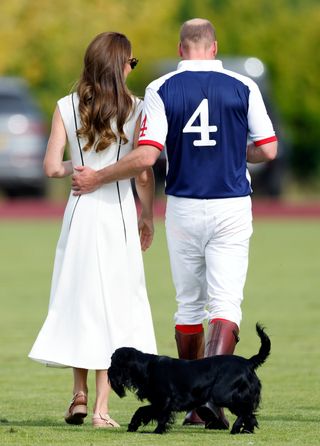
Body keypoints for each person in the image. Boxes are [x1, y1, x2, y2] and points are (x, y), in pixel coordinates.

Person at [71, 19, 278, 429]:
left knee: (188, 306)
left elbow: (147, 157)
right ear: (214, 47)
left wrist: (96, 176)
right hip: (232, 205)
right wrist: (237, 153)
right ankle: (211, 401)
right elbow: (269, 149)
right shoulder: (244, 85)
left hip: (184, 205)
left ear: (182, 50)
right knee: (225, 304)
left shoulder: (161, 88)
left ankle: (195, 405)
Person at [29, 31, 157, 429]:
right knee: (114, 306)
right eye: (130, 62)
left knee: (80, 301)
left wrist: (76, 168)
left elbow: (51, 168)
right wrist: (147, 214)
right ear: (119, 65)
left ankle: (78, 394)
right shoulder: (136, 109)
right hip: (116, 213)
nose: (131, 68)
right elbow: (142, 169)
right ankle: (102, 408)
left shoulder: (65, 106)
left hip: (80, 214)